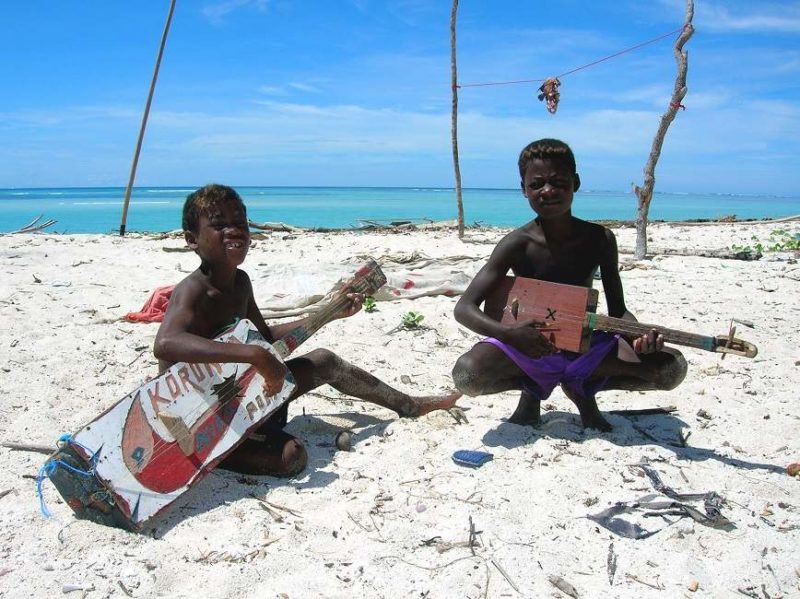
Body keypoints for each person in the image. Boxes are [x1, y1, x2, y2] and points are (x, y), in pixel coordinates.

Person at [154, 184, 459, 476]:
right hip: (203, 416)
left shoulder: (241, 282)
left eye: (240, 222)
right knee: (292, 457)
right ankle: (215, 456)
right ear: (192, 240)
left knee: (325, 361)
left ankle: (409, 405)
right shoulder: (194, 291)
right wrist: (254, 355)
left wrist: (326, 315)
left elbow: (265, 339)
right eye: (219, 224)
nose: (234, 229)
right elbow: (167, 343)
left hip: (245, 395)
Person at [451, 139, 687, 431]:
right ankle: (531, 390)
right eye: (537, 184)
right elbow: (464, 308)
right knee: (467, 375)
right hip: (528, 349)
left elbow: (618, 311)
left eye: (558, 182)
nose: (547, 191)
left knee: (671, 368)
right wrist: (509, 334)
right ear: (524, 190)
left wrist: (636, 338)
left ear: (575, 182)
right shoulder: (516, 243)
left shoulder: (600, 239)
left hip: (585, 348)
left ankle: (582, 388)